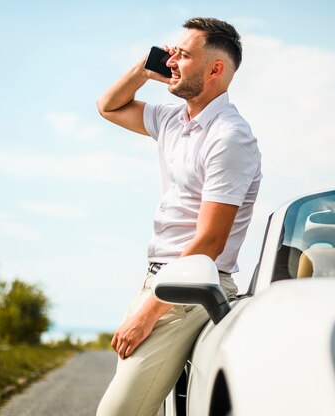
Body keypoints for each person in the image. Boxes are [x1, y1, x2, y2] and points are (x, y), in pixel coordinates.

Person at [95, 17, 262, 416]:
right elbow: (108, 106)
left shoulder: (230, 136)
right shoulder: (173, 120)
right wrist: (143, 68)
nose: (171, 61)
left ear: (215, 69)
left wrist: (148, 311)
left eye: (183, 56)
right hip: (160, 279)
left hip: (189, 288)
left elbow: (209, 243)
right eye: (171, 53)